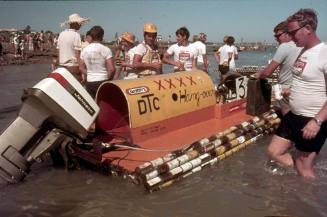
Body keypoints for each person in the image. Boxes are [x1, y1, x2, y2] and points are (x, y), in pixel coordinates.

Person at [271, 8, 327, 178]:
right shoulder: (303, 51)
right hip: (293, 116)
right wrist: (289, 91)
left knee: (305, 168)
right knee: (274, 151)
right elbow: (305, 81)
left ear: (308, 28)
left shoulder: (324, 54)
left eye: (293, 32)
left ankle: (309, 201)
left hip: (311, 119)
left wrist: (317, 122)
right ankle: (300, 177)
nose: (291, 36)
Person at [255, 21, 302, 115]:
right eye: (275, 36)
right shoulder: (301, 46)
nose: (276, 39)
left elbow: (267, 73)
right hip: (298, 89)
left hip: (285, 90)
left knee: (287, 119)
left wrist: (258, 75)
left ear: (287, 33)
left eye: (278, 35)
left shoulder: (284, 46)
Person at [79, 26, 116, 98]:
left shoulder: (84, 50)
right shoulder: (106, 49)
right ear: (102, 36)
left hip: (90, 82)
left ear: (92, 36)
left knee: (93, 105)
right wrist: (108, 79)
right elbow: (112, 69)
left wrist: (90, 74)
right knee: (103, 103)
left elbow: (81, 68)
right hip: (103, 81)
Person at [56, 13, 90, 82]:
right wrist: (82, 70)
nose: (80, 25)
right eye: (79, 23)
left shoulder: (61, 34)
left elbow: (59, 52)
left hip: (62, 67)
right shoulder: (76, 35)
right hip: (73, 67)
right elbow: (77, 54)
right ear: (75, 24)